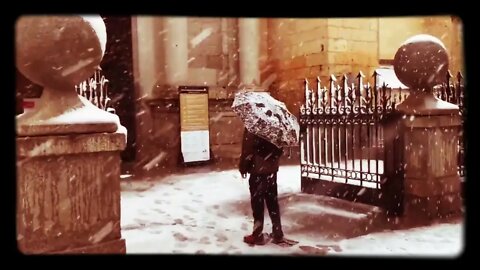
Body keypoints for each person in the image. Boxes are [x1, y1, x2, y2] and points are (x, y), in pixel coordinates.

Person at [239, 128, 285, 245]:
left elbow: (248, 150)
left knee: (257, 203)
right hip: (271, 170)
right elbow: (280, 147)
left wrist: (243, 166)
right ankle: (277, 232)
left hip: (258, 169)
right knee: (272, 201)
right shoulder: (276, 125)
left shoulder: (254, 126)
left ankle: (257, 234)